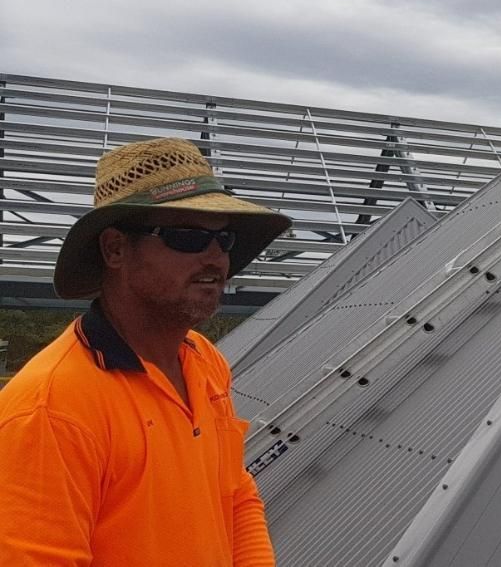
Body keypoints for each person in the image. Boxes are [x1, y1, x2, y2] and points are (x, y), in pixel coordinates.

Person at [0, 137, 290, 565]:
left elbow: (235, 495)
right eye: (186, 237)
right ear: (115, 249)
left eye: (224, 239)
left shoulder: (204, 360)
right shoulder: (51, 410)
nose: (215, 258)